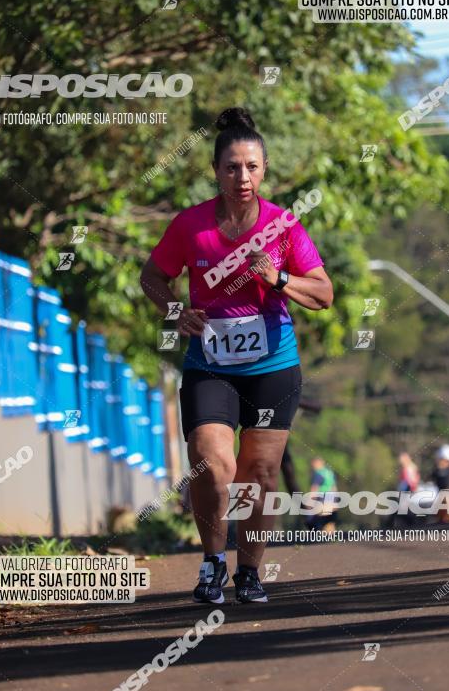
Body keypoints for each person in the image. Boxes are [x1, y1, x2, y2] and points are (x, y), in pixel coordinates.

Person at [140, 107, 333, 603]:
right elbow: (152, 276)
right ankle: (211, 563)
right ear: (216, 170)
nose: (241, 176)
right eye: (231, 167)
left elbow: (325, 294)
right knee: (211, 460)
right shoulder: (191, 226)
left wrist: (278, 279)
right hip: (210, 364)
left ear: (264, 169)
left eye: (251, 166)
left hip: (272, 366)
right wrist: (177, 310)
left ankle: (248, 571)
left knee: (260, 473)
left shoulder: (283, 226)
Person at [307, 456, 338, 533]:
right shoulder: (329, 472)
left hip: (322, 498)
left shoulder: (319, 473)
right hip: (331, 497)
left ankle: (319, 538)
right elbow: (334, 487)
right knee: (330, 521)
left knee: (320, 519)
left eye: (313, 465)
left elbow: (315, 488)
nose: (313, 467)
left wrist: (310, 501)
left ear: (317, 463)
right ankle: (332, 539)